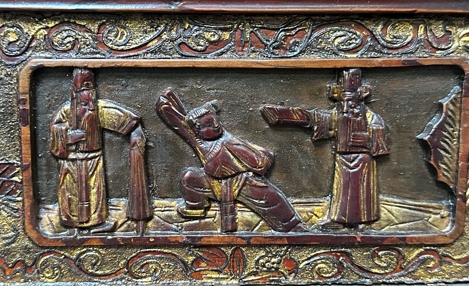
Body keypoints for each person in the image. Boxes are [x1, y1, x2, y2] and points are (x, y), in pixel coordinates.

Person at [156, 88, 303, 233]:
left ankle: (291, 225)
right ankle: (196, 208)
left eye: (214, 121)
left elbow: (261, 162)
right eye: (208, 125)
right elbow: (178, 122)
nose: (215, 125)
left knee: (272, 198)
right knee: (189, 178)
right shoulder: (199, 142)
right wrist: (165, 101)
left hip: (242, 182)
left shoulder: (228, 140)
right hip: (213, 182)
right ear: (197, 131)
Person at [261, 68, 389, 227]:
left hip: (363, 160)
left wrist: (368, 140)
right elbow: (316, 118)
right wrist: (286, 115)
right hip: (343, 159)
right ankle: (339, 220)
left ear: (359, 100)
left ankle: (361, 223)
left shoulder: (372, 118)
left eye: (350, 103)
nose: (345, 108)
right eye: (342, 103)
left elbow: (380, 145)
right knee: (342, 191)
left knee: (360, 192)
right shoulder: (339, 116)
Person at [50, 68, 151, 232]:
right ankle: (71, 225)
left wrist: (136, 133)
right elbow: (54, 133)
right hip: (70, 160)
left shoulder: (99, 109)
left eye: (90, 90)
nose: (89, 105)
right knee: (70, 192)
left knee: (95, 191)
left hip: (93, 158)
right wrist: (68, 136)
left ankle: (97, 223)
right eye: (84, 101)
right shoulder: (66, 111)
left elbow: (127, 120)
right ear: (74, 92)